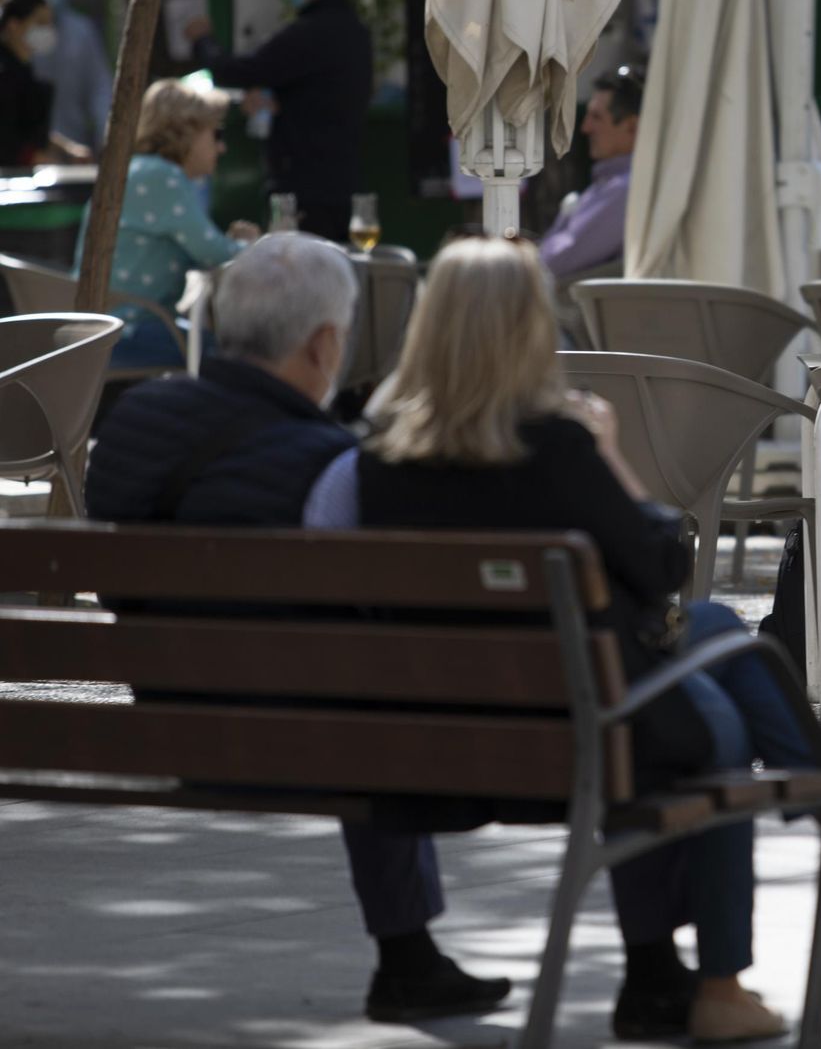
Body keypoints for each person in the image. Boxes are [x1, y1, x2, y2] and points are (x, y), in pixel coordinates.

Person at [302, 233, 821, 1043]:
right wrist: (613, 456)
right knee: (719, 706)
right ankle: (772, 914)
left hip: (432, 751)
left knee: (720, 636)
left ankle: (698, 963)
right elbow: (663, 566)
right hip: (589, 737)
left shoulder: (370, 466)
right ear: (527, 331)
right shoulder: (555, 448)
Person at [83, 234, 514, 1026]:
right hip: (300, 740)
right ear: (324, 343)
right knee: (374, 693)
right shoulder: (328, 464)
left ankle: (412, 960)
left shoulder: (134, 420)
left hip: (164, 723)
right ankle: (408, 957)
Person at [74, 78, 259, 371]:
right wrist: (255, 246)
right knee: (246, 351)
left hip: (100, 329)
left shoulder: (137, 170)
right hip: (129, 331)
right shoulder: (162, 177)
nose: (221, 147)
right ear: (186, 133)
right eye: (215, 133)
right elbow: (214, 253)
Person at [184, 0, 371, 242]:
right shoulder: (356, 33)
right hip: (342, 184)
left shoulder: (311, 33)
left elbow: (238, 72)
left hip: (302, 189)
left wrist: (203, 41)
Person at [538, 65, 642, 280]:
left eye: (596, 117)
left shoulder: (626, 190)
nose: (585, 128)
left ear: (632, 127)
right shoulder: (619, 184)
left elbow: (553, 263)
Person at [6, 0, 110, 155]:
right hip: (21, 162)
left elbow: (100, 91)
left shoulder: (81, 33)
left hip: (74, 149)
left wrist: (105, 137)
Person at [0, 0, 87, 165]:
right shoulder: (5, 74)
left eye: (49, 23)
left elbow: (28, 128)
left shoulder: (24, 70)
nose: (47, 30)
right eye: (40, 23)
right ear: (14, 25)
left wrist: (67, 149)